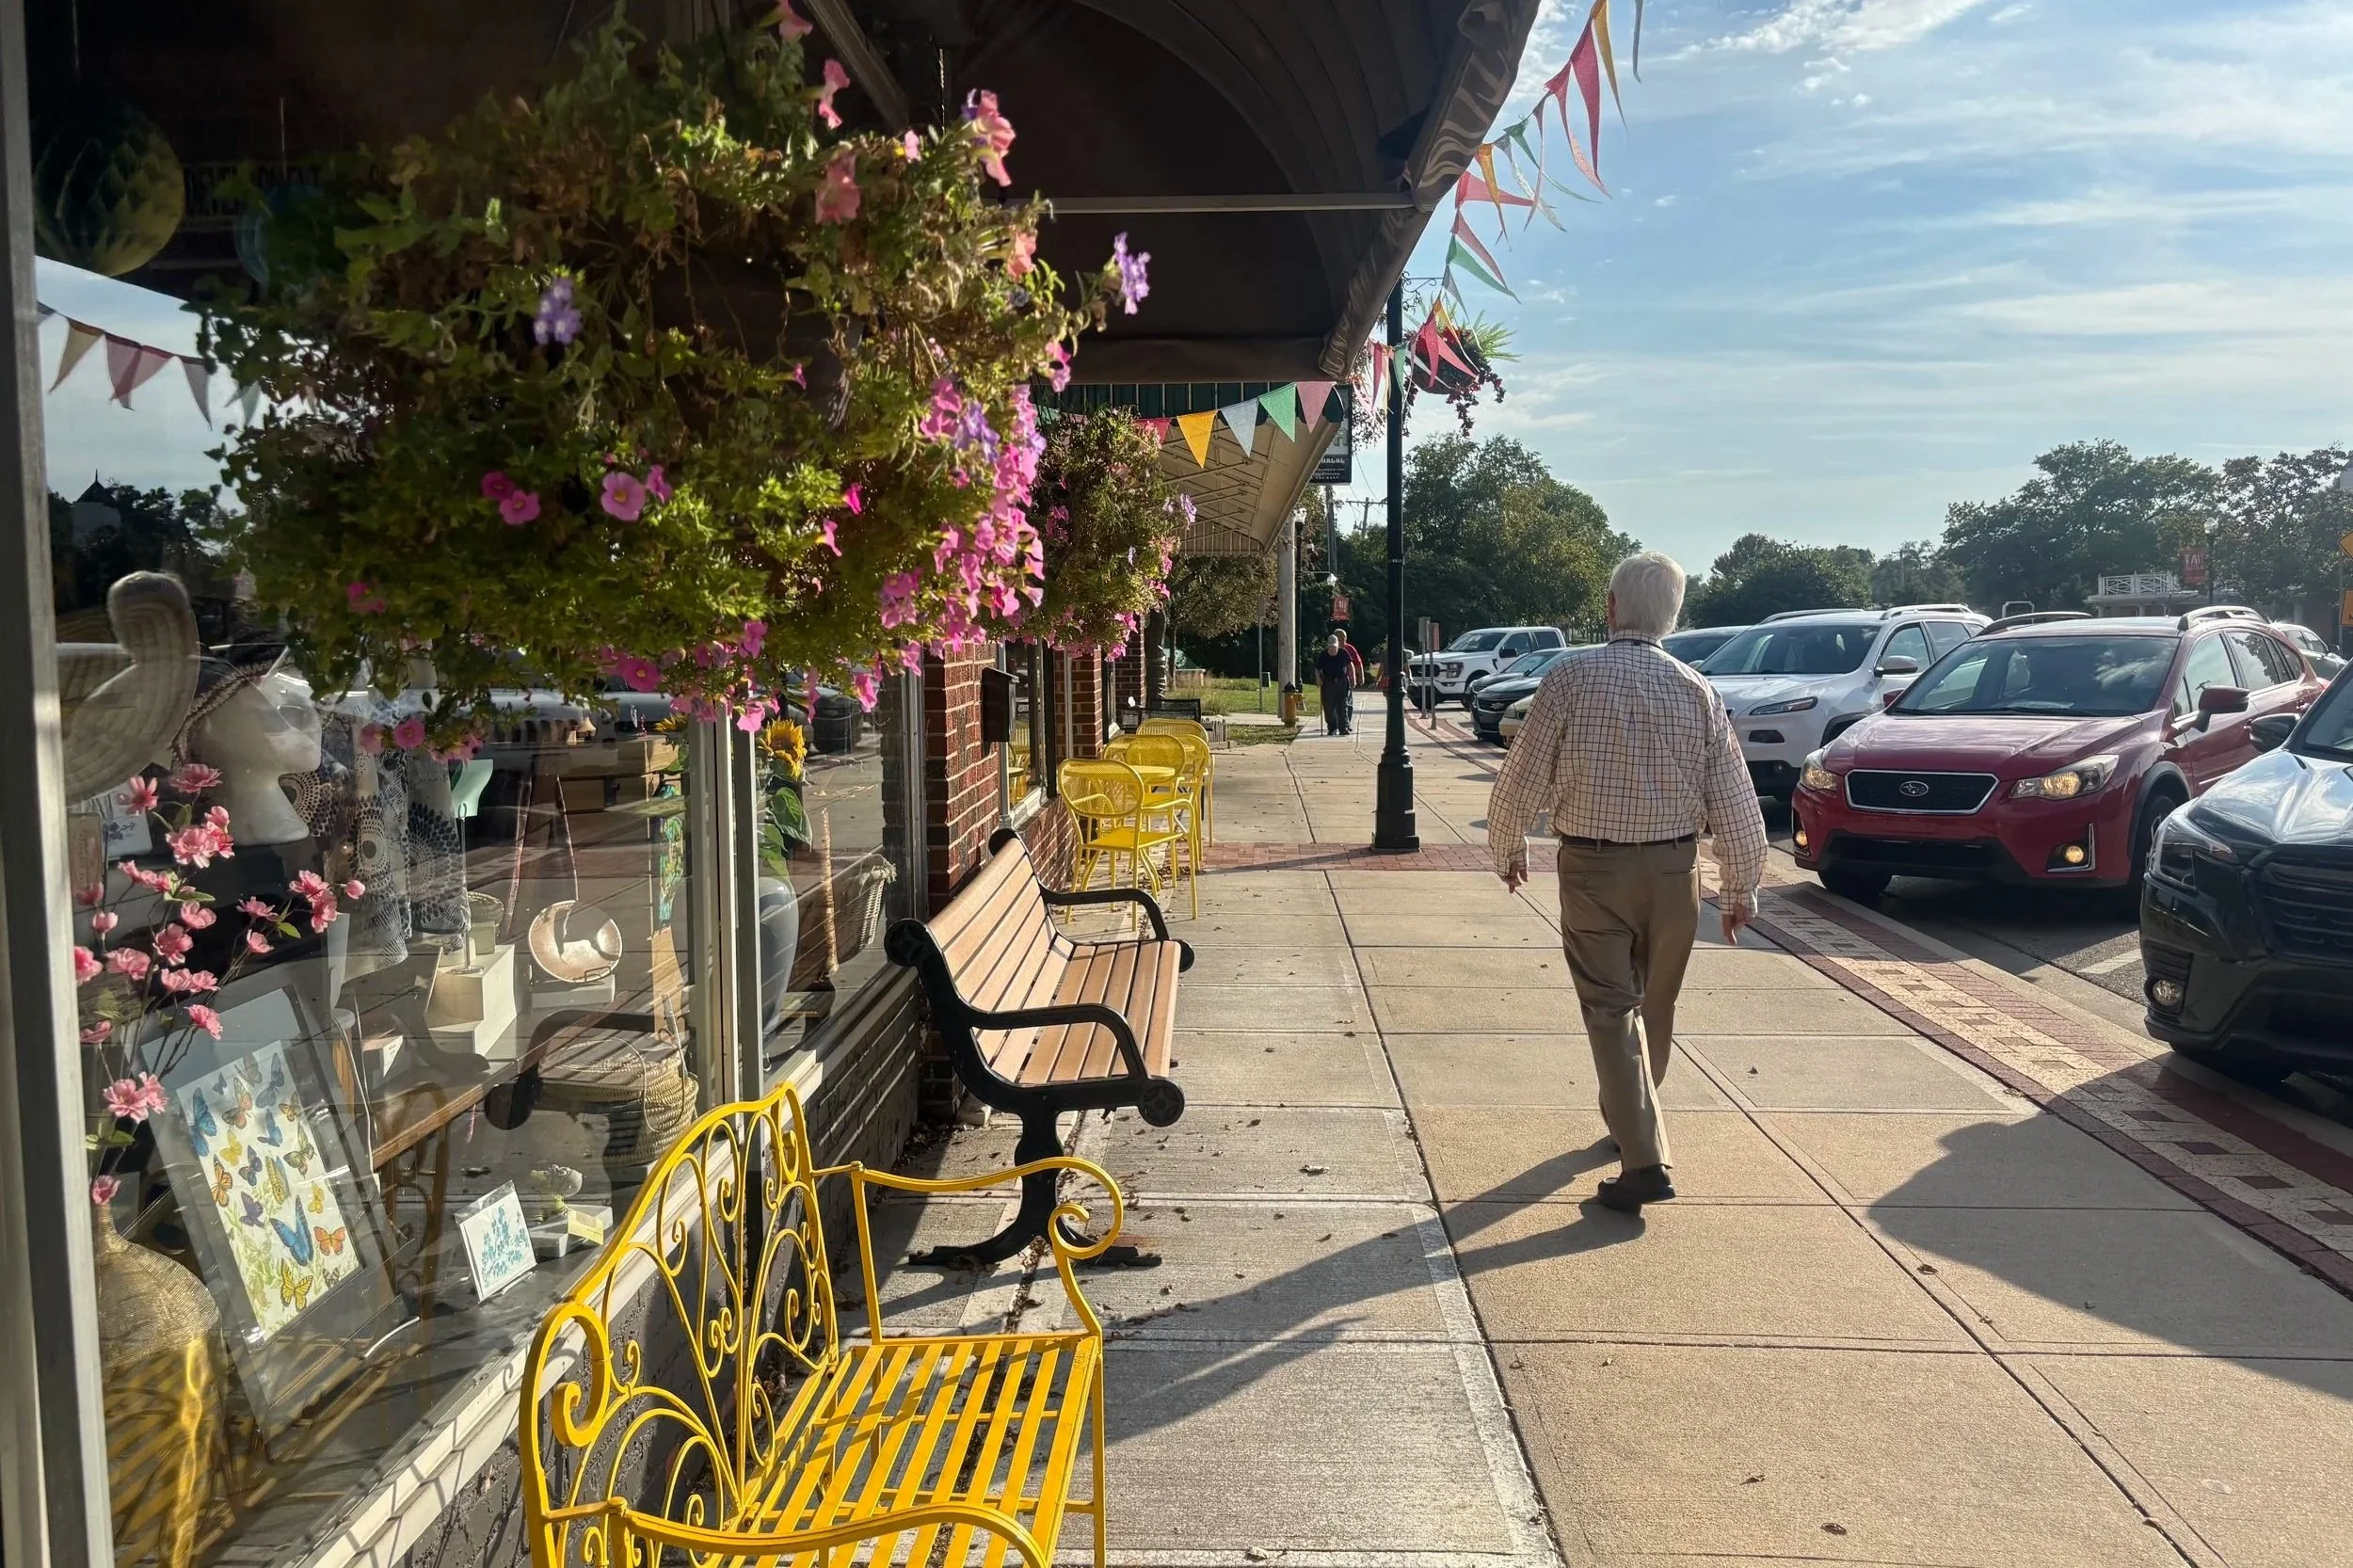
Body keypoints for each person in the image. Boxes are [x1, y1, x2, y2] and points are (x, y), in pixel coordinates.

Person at [1483, 552, 1767, 1212]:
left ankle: (1643, 1159)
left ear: (1611, 607)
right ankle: (1632, 1121)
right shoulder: (1698, 689)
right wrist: (1740, 887)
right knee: (1654, 1003)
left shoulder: (1569, 677)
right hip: (1674, 871)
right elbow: (1734, 797)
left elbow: (1522, 776)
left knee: (1610, 1010)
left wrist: (1507, 847)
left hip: (1594, 868)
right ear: (1673, 615)